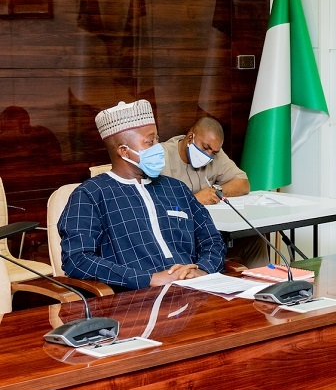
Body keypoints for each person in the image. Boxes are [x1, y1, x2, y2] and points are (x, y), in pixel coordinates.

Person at [58, 100, 225, 290]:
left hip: (195, 295)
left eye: (157, 139)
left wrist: (202, 270)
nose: (158, 147)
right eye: (150, 142)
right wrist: (148, 279)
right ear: (124, 151)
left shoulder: (177, 189)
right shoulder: (90, 195)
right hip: (135, 302)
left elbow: (212, 240)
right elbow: (77, 259)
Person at [161, 117, 266, 267]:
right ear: (191, 137)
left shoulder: (214, 153)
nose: (208, 155)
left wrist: (216, 191)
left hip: (210, 236)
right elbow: (156, 204)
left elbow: (243, 183)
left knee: (254, 240)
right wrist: (194, 199)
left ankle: (263, 289)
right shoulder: (162, 156)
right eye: (205, 148)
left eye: (213, 152)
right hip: (178, 240)